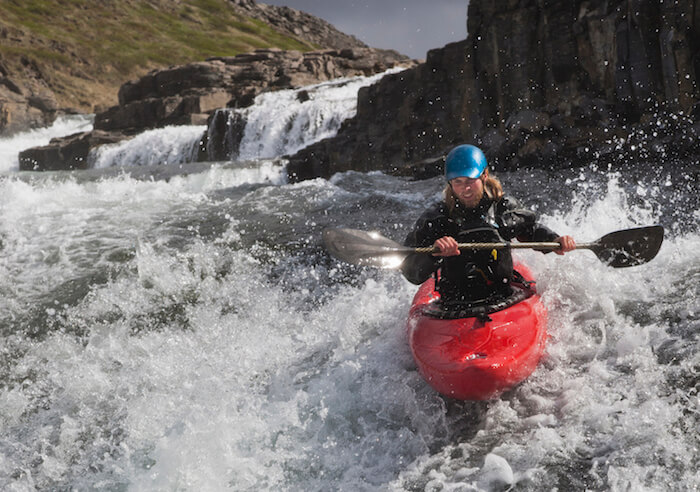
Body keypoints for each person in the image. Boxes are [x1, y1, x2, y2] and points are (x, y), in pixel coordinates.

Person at [400, 144, 575, 304]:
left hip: (502, 296)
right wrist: (433, 253)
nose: (465, 189)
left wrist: (555, 240)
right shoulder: (437, 219)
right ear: (450, 183)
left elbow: (531, 230)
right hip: (453, 303)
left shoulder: (504, 209)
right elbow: (410, 271)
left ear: (484, 175)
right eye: (458, 182)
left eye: (470, 180)